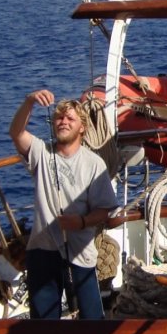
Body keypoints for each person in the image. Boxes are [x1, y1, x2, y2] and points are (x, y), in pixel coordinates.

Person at [10, 89, 119, 320]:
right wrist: (29, 101)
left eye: (70, 118)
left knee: (91, 322)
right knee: (43, 323)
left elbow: (104, 210)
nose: (63, 122)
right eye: (59, 117)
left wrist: (80, 222)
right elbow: (16, 132)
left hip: (80, 253)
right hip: (42, 251)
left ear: (82, 128)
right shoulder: (41, 153)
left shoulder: (94, 164)